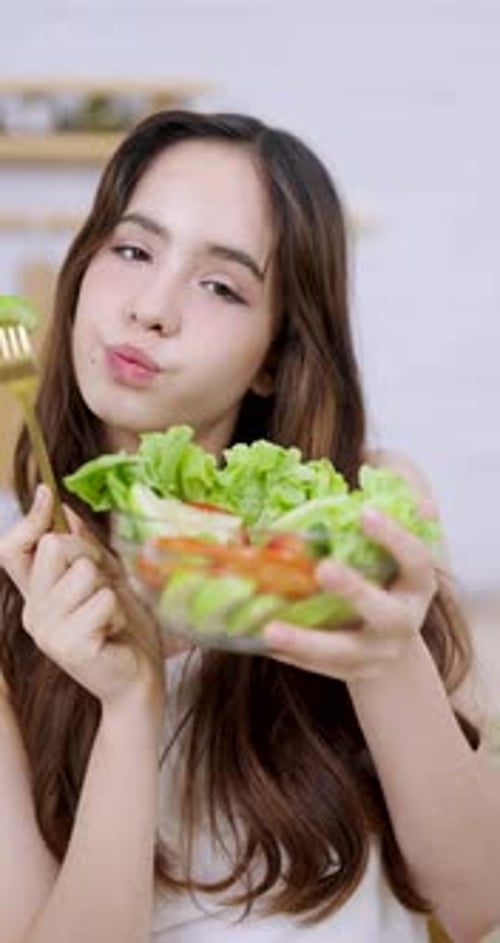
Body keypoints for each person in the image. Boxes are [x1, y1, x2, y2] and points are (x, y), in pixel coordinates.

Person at [0, 110, 499, 943]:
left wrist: (386, 659)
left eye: (222, 286)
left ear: (275, 353)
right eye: (134, 250)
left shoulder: (359, 521)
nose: (151, 309)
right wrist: (129, 707)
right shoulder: (15, 595)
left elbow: (477, 899)